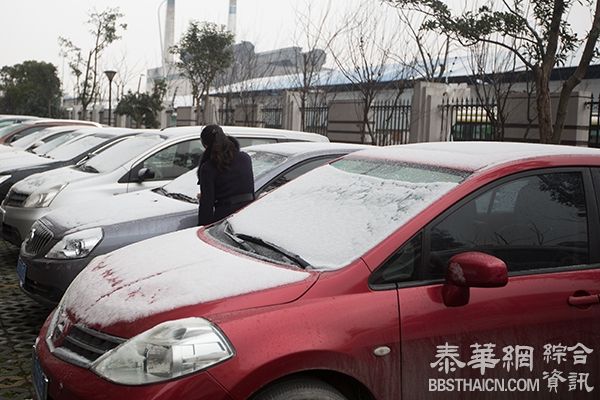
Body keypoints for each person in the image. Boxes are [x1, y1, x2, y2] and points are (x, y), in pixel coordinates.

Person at [197, 124, 254, 226]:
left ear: (206, 146)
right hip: (248, 213)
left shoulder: (208, 167)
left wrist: (202, 228)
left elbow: (207, 204)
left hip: (224, 218)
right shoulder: (245, 158)